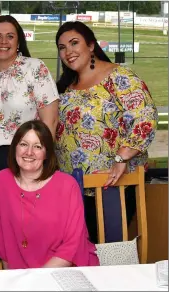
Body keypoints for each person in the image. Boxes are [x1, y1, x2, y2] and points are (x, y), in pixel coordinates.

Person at [54, 21, 158, 243]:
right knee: (81, 253)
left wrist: (122, 157)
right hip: (73, 187)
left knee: (108, 253)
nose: (68, 52)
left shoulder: (119, 77)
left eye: (74, 43)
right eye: (62, 47)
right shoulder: (64, 87)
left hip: (112, 185)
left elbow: (145, 118)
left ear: (91, 45)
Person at [0, 15, 60, 270]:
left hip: (26, 157)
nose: (4, 41)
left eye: (10, 36)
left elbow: (49, 122)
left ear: (19, 40)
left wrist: (39, 164)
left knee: (21, 227)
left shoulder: (35, 68)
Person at [0, 120, 99, 269]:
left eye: (37, 146)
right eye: (23, 144)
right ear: (14, 148)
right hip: (20, 275)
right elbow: (0, 237)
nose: (29, 152)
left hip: (65, 269)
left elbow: (73, 244)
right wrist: (12, 278)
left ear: (47, 153)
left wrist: (39, 279)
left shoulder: (67, 185)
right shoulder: (2, 180)